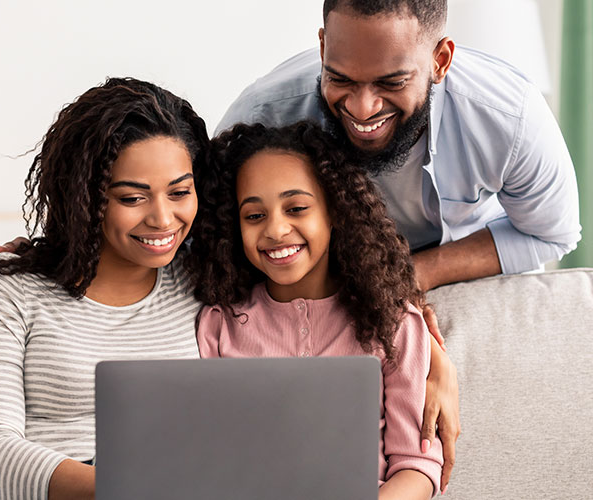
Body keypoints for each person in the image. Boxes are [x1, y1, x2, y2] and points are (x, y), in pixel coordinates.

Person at [214, 0, 581, 486]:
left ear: (440, 60)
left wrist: (408, 291)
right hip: (328, 280)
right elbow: (209, 232)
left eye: (390, 82)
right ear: (322, 46)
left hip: (433, 273)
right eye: (341, 78)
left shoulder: (507, 116)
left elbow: (552, 232)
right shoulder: (265, 114)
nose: (362, 108)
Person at [0, 77, 210, 500]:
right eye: (132, 198)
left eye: (180, 192)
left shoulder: (204, 277)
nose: (164, 219)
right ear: (83, 198)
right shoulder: (7, 291)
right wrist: (129, 491)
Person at [192, 121, 444, 498]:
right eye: (254, 215)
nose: (276, 229)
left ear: (334, 211)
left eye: (296, 208)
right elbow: (210, 459)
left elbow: (417, 465)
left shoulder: (394, 324)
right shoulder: (218, 326)